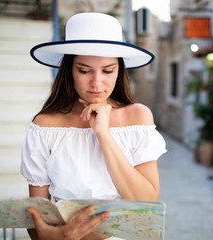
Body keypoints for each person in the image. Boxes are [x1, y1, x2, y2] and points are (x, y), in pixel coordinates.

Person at [20, 12, 167, 240]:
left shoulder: (137, 117)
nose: (97, 83)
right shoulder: (45, 127)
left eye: (108, 70)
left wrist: (103, 135)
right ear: (69, 70)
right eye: (84, 70)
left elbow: (145, 203)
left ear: (119, 71)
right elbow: (36, 222)